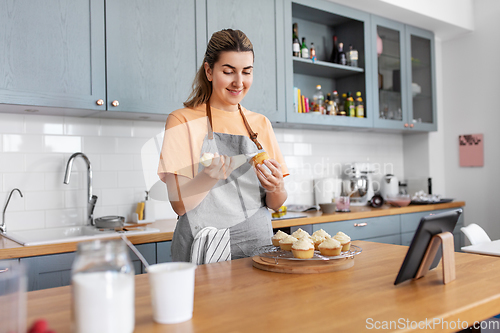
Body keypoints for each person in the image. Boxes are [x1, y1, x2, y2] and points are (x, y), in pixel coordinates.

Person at [157, 29, 288, 263]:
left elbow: (274, 203)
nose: (239, 82)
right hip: (202, 251)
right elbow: (179, 205)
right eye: (228, 72)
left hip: (257, 251)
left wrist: (276, 187)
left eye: (247, 72)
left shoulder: (260, 124)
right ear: (209, 71)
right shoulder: (182, 121)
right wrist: (209, 176)